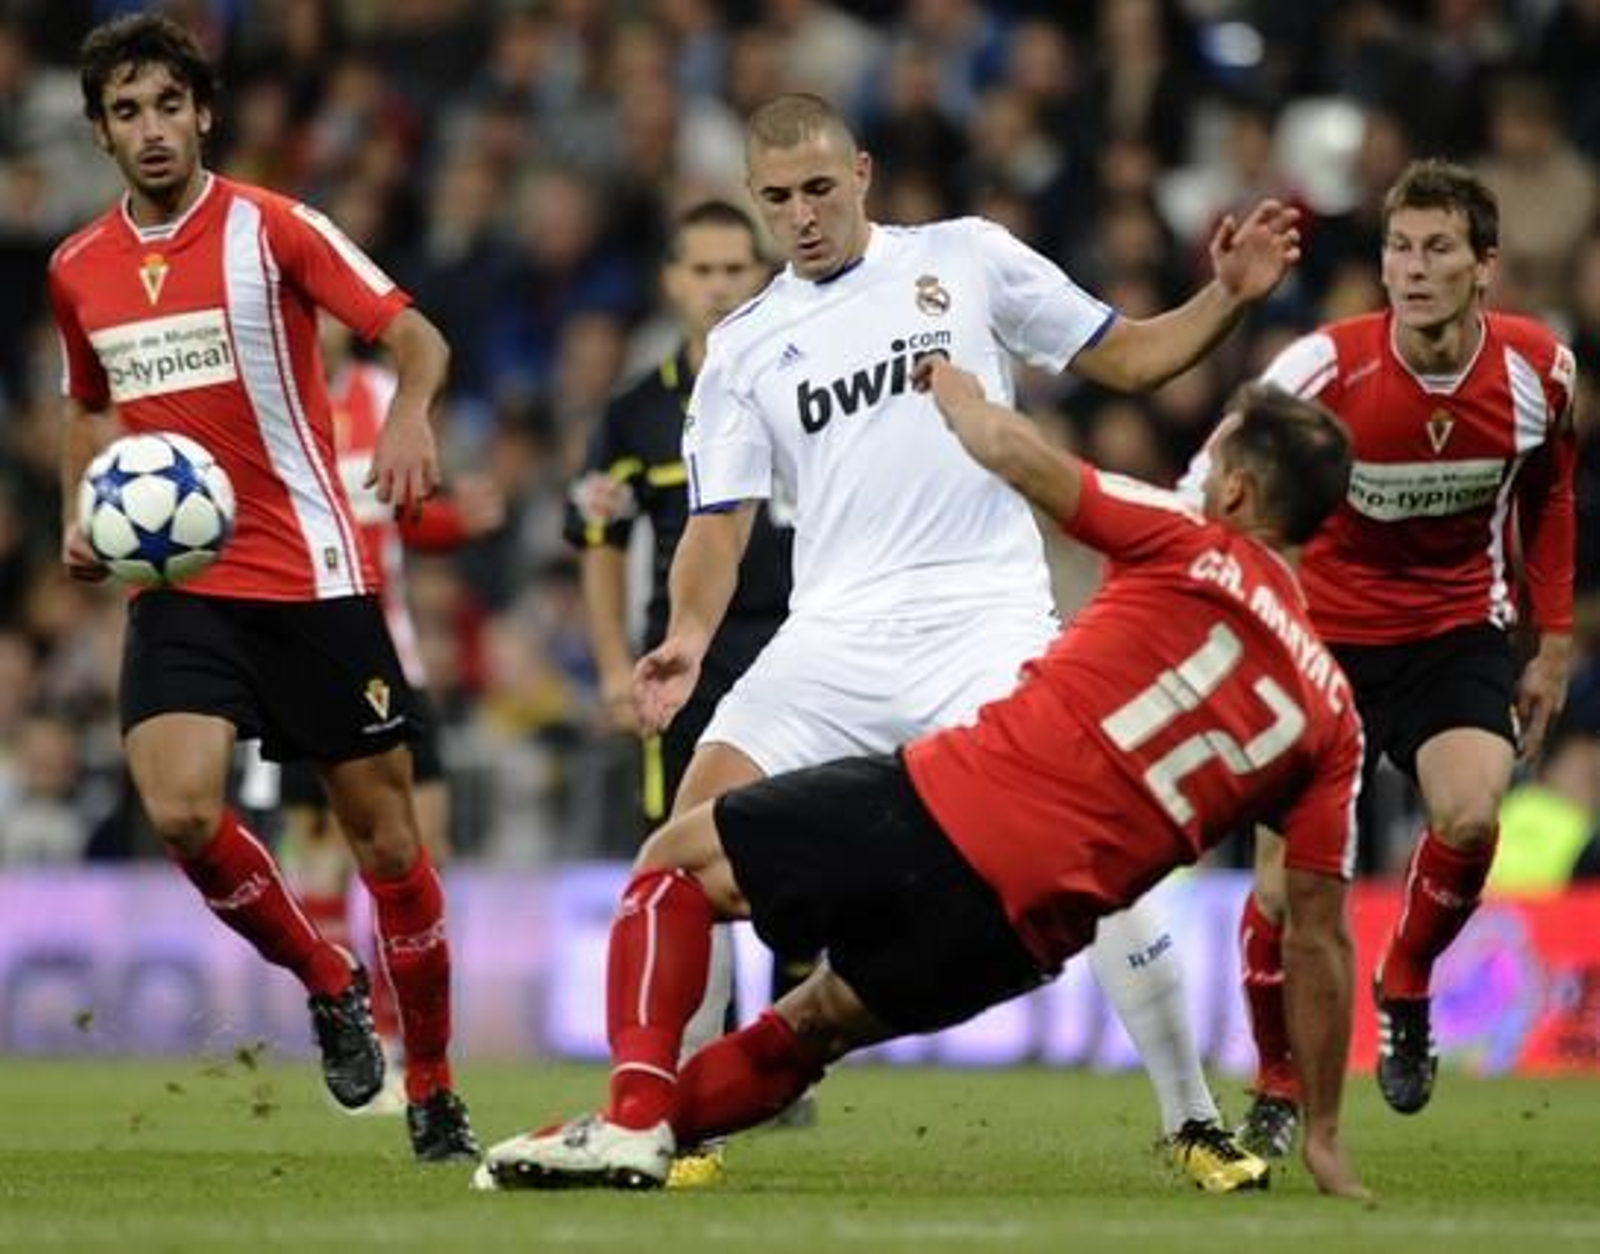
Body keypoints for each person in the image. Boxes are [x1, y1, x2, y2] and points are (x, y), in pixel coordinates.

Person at [561, 91, 1302, 1190]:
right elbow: (716, 529)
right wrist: (682, 636)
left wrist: (1228, 299)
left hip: (984, 624)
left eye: (818, 188)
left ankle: (1191, 1120)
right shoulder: (744, 348)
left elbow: (1133, 360)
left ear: (860, 173)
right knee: (686, 843)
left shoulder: (966, 258)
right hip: (833, 638)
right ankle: (670, 1128)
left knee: (1102, 855)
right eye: (778, 200)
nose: (801, 216)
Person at [474, 363, 1369, 1200]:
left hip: (952, 806)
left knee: (675, 859)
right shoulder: (1331, 716)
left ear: (1240, 493)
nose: (1201, 468)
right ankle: (635, 1135)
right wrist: (1322, 1129)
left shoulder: (1191, 542)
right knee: (815, 1025)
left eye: (1215, 457)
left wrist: (953, 389)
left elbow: (1020, 456)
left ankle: (632, 1118)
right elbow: (1318, 941)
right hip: (1027, 935)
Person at [47, 13, 477, 1162]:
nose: (151, 129)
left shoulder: (274, 229)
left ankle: (433, 1083)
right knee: (183, 807)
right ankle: (328, 981)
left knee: (387, 847)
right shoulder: (76, 268)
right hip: (180, 585)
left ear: (205, 113)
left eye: (168, 105)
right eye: (127, 111)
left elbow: (416, 336)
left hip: (312, 578)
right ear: (99, 131)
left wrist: (412, 418)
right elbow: (87, 403)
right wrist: (77, 508)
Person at [1191, 159, 1577, 1155]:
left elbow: (1548, 499)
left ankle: (1403, 981)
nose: (1411, 268)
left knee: (1471, 811)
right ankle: (1277, 1089)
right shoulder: (1321, 369)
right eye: (1398, 248)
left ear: (1482, 266)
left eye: (1437, 248)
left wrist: (1552, 639)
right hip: (1319, 640)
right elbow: (1217, 474)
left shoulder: (1541, 373)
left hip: (1453, 630)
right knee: (1280, 891)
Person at [563, 201, 814, 1162]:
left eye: (734, 269)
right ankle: (701, 1053)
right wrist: (609, 665)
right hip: (690, 652)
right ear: (672, 280)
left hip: (805, 646)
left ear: (762, 276)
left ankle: (778, 1049)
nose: (718, 285)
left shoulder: (805, 377)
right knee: (685, 851)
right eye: (700, 269)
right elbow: (597, 542)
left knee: (802, 842)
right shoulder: (633, 410)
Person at [277, 315, 504, 1115]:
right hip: (297, 660)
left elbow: (412, 512)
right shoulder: (264, 399)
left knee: (416, 850)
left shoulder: (383, 396)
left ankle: (398, 1033)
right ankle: (351, 1035)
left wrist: (459, 520)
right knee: (318, 854)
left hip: (392, 662)